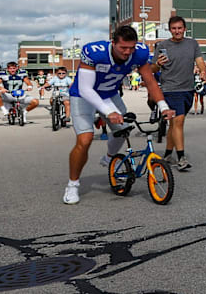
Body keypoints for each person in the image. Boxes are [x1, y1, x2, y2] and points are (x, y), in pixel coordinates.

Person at [64, 25, 174, 205]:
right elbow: (85, 89)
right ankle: (73, 184)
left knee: (124, 130)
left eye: (131, 48)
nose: (127, 52)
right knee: (85, 140)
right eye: (123, 48)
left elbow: (150, 81)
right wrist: (108, 112)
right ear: (113, 43)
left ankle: (109, 158)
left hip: (109, 94)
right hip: (83, 95)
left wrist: (163, 107)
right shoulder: (95, 52)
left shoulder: (138, 52)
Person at [150, 16, 206, 171]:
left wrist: (203, 71)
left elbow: (200, 60)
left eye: (179, 28)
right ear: (169, 30)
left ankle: (167, 154)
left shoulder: (192, 43)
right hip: (171, 90)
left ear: (184, 29)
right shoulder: (163, 45)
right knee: (179, 122)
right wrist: (158, 64)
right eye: (174, 28)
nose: (177, 31)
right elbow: (152, 69)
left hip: (188, 89)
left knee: (174, 125)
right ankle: (181, 158)